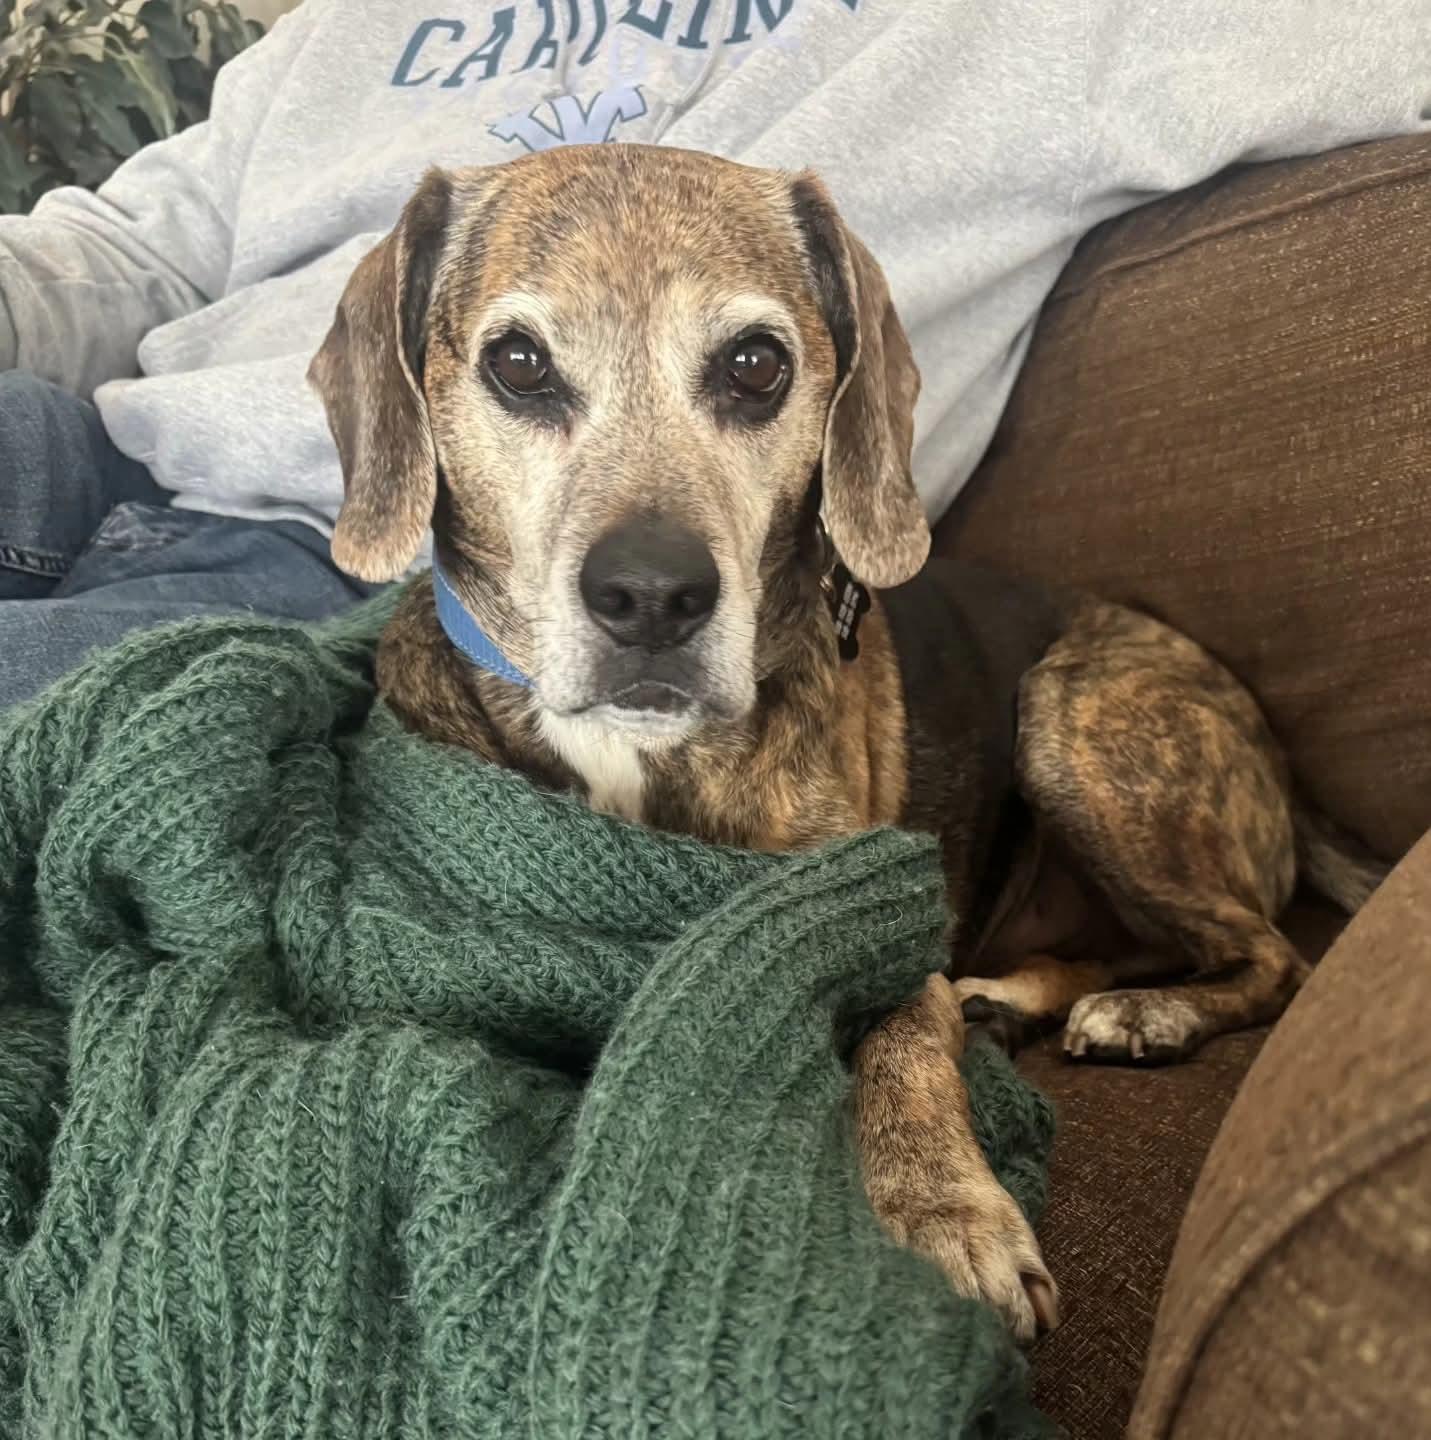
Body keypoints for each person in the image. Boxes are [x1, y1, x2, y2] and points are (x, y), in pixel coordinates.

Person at [2, 0, 1427, 710]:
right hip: (90, 444)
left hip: (384, 572)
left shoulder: (1036, 26)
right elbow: (132, 254)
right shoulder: (343, 29)